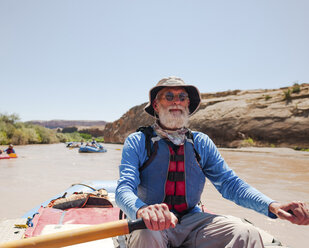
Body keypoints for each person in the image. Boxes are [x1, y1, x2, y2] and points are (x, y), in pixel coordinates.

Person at [115, 76, 309, 248]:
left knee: (245, 232)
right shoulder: (138, 141)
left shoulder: (200, 142)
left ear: (188, 105)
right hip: (151, 223)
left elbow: (231, 184)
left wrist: (273, 206)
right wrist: (142, 210)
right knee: (147, 233)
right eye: (169, 96)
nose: (177, 102)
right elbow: (124, 189)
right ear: (156, 105)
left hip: (192, 220)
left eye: (182, 97)